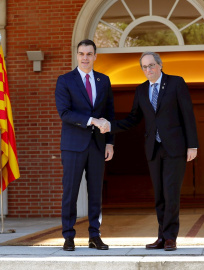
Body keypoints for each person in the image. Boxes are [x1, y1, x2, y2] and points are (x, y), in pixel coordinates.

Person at [94, 51, 198, 251]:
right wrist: (110, 126)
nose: (148, 70)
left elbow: (188, 114)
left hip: (175, 147)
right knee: (159, 195)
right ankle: (161, 236)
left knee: (171, 194)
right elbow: (134, 118)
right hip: (153, 149)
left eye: (151, 65)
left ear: (160, 65)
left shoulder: (176, 83)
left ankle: (170, 238)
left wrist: (192, 145)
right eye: (144, 67)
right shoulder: (141, 90)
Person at [55, 39, 115, 251]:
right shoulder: (65, 80)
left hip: (98, 145)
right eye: (81, 53)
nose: (85, 57)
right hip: (73, 146)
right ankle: (68, 236)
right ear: (77, 55)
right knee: (70, 191)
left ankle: (94, 235)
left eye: (89, 54)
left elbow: (109, 113)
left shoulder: (103, 80)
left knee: (95, 192)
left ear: (95, 56)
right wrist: (92, 120)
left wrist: (110, 142)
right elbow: (65, 113)